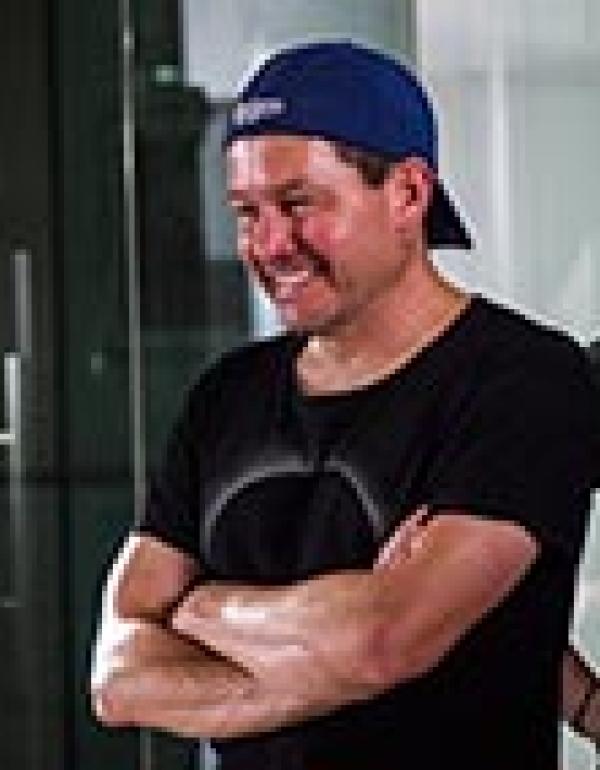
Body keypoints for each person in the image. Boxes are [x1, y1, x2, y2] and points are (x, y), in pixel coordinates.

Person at [90, 40, 600, 769]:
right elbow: (117, 680)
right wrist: (330, 656)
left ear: (409, 195)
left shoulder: (522, 381)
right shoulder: (225, 397)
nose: (270, 244)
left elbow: (383, 641)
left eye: (299, 204)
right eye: (246, 212)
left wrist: (202, 607)